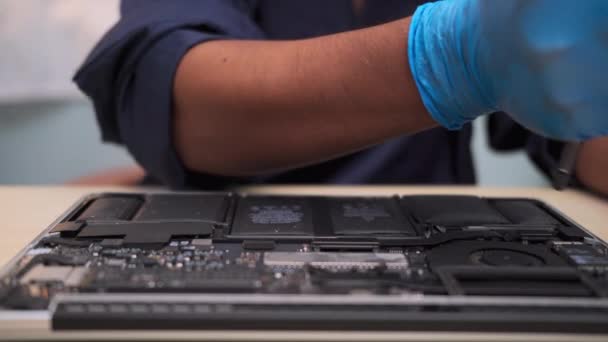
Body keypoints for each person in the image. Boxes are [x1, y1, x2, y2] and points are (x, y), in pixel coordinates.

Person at [75, 0, 608, 194]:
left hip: (437, 258)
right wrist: (452, 58)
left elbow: (573, 123)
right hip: (229, 244)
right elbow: (175, 99)